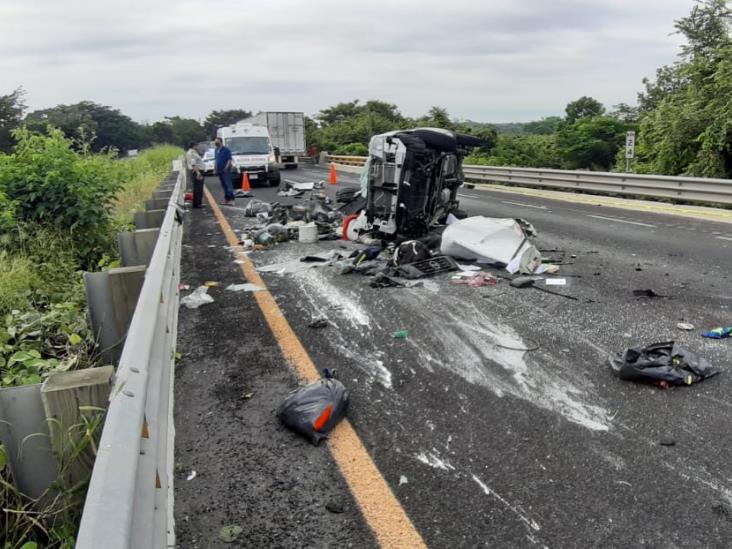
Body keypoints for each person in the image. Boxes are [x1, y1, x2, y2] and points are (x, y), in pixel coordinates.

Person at [214, 137, 235, 205]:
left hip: (226, 170)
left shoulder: (226, 150)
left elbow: (229, 159)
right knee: (224, 186)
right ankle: (227, 199)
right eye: (215, 141)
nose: (216, 143)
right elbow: (216, 160)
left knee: (228, 185)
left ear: (220, 142)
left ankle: (232, 199)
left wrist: (226, 167)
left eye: (217, 141)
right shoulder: (216, 150)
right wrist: (215, 168)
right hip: (219, 170)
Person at [186, 142, 205, 208]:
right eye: (197, 146)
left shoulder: (193, 152)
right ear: (194, 146)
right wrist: (198, 173)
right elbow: (193, 164)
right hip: (197, 171)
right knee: (198, 188)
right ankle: (197, 204)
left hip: (197, 171)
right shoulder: (192, 153)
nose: (198, 147)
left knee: (198, 188)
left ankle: (198, 203)